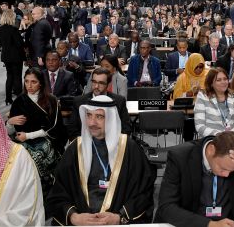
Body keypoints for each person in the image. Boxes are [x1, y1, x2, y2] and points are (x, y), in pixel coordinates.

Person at [46, 95, 155, 225]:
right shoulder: (75, 149)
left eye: (99, 117)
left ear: (111, 119)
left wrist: (119, 217)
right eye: (89, 116)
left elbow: (143, 193)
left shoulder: (130, 149)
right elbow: (58, 192)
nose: (92, 123)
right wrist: (73, 217)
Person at [155, 131, 234, 227]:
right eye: (223, 168)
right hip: (193, 222)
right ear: (211, 150)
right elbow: (166, 207)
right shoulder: (180, 157)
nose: (227, 174)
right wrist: (210, 224)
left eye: (232, 171)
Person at [7, 68, 65, 197]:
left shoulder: (51, 100)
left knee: (35, 158)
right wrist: (10, 122)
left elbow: (54, 128)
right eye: (26, 81)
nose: (29, 85)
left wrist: (28, 135)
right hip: (21, 140)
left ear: (41, 83)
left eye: (33, 82)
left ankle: (45, 187)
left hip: (47, 139)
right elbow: (9, 132)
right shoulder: (19, 101)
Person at [68, 67, 131, 139]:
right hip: (85, 145)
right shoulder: (79, 101)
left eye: (101, 83)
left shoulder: (119, 101)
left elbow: (126, 129)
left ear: (108, 84)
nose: (96, 86)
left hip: (113, 144)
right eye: (94, 82)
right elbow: (72, 130)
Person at [194, 68, 234, 138]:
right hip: (211, 139)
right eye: (219, 80)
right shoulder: (203, 97)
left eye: (225, 79)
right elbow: (200, 126)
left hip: (232, 139)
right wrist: (220, 136)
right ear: (211, 83)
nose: (223, 82)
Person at [0, 9, 26, 105]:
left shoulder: (0, 29)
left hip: (6, 56)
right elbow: (19, 44)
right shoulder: (13, 29)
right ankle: (19, 99)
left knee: (9, 76)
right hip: (16, 56)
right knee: (17, 77)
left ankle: (8, 98)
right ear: (11, 17)